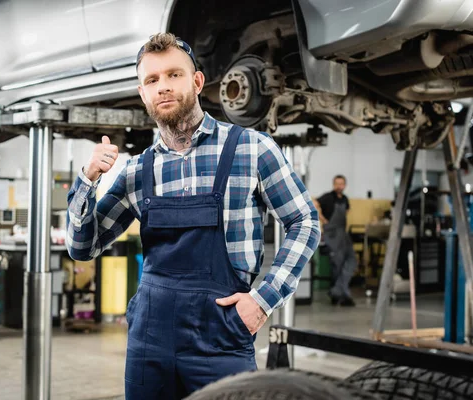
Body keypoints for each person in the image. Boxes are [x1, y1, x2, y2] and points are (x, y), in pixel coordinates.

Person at [66, 32, 321, 399]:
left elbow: (305, 221)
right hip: (150, 342)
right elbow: (82, 247)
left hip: (222, 337)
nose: (163, 87)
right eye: (152, 80)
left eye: (174, 75)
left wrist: (263, 300)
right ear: (143, 94)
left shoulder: (252, 149)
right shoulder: (137, 171)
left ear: (197, 81)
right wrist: (87, 181)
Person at [314, 175, 357, 306]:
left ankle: (338, 291)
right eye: (337, 183)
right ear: (334, 184)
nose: (339, 186)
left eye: (342, 184)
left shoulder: (344, 199)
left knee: (351, 260)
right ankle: (339, 295)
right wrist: (323, 219)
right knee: (337, 265)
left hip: (343, 234)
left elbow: (347, 210)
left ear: (345, 185)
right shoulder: (328, 197)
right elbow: (314, 203)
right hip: (332, 235)